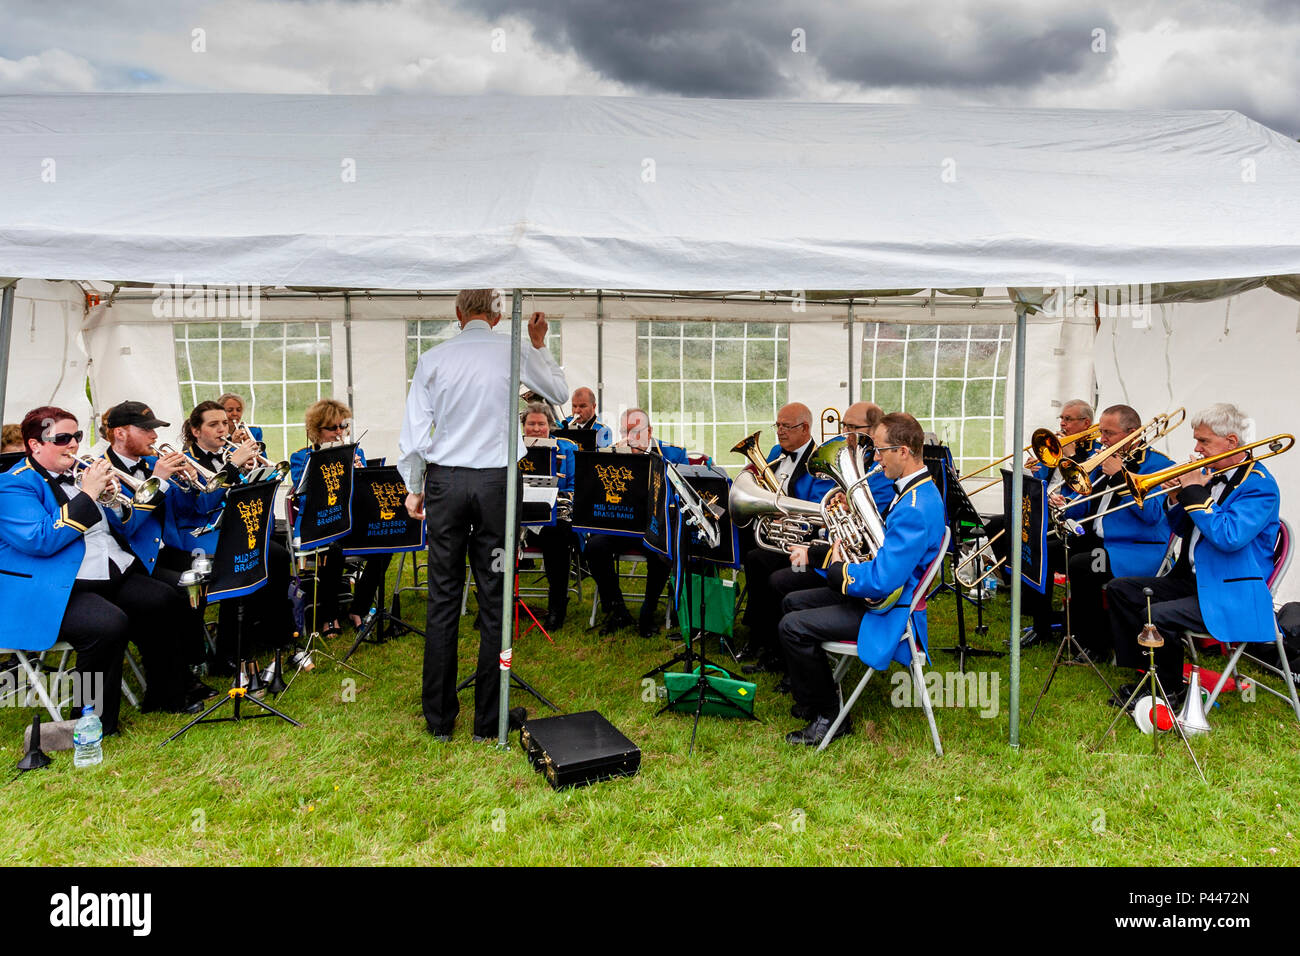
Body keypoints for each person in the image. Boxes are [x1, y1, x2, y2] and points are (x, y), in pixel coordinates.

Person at [399, 290, 568, 742]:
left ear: (457, 315)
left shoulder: (434, 358)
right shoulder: (513, 351)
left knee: (443, 598)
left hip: (446, 485)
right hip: (496, 485)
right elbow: (559, 394)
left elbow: (414, 431)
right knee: (495, 597)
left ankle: (438, 721)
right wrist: (537, 345)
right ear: (497, 316)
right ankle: (487, 721)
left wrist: (415, 487)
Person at [0, 406, 199, 733]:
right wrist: (89, 495)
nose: (73, 445)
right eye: (62, 438)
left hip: (109, 569)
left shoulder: (79, 476)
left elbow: (127, 526)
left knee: (163, 598)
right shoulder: (13, 485)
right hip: (57, 584)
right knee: (106, 625)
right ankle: (92, 718)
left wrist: (113, 500)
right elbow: (41, 540)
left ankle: (166, 694)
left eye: (76, 437)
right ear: (35, 445)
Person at [777, 412, 946, 746]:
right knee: (791, 601)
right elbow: (882, 548)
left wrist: (839, 570)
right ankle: (816, 698)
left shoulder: (914, 505)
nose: (876, 457)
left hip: (891, 609)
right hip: (884, 597)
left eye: (881, 450)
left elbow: (882, 580)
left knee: (792, 626)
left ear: (904, 451)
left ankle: (830, 717)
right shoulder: (914, 492)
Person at [1105, 403, 1280, 711]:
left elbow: (1228, 537)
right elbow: (1186, 529)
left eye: (1204, 442)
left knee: (1157, 615)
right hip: (1194, 580)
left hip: (1231, 591)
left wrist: (1197, 494)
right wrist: (1176, 497)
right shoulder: (1213, 474)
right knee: (1121, 590)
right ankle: (1148, 677)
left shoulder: (1259, 487)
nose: (1196, 449)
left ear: (1231, 442)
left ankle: (1170, 692)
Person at [102, 400, 219, 699]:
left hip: (164, 549)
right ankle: (177, 675)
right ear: (120, 433)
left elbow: (187, 507)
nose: (154, 437)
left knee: (210, 574)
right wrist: (160, 480)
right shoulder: (103, 471)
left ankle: (195, 661)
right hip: (133, 558)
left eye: (155, 430)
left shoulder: (152, 464)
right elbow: (125, 527)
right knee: (180, 590)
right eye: (146, 430)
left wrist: (191, 481)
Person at [1050, 404, 1172, 662]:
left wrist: (1120, 476)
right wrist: (1066, 504)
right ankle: (1048, 626)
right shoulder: (1104, 457)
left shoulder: (1159, 465)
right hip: (1101, 539)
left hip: (1136, 548)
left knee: (1082, 565)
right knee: (1047, 549)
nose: (1102, 439)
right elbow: (1086, 500)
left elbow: (1151, 515)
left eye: (1109, 433)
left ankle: (1097, 645)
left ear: (1133, 433)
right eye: (1101, 432)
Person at [738, 402, 836, 675]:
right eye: (777, 425)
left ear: (805, 428)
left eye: (786, 426)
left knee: (770, 569)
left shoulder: (819, 461)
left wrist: (788, 517)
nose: (779, 432)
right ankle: (758, 634)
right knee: (750, 554)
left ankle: (778, 648)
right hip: (774, 534)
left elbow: (820, 512)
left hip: (803, 543)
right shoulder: (773, 453)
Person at [583, 408, 689, 638]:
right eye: (625, 431)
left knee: (660, 551)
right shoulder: (616, 453)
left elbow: (684, 497)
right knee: (594, 547)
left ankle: (648, 611)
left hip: (657, 526)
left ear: (649, 431)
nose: (629, 437)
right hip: (624, 525)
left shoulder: (674, 454)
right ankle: (617, 609)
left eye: (635, 431)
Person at [289, 399, 391, 633]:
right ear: (316, 431)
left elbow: (365, 497)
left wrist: (360, 473)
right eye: (332, 428)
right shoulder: (302, 457)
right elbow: (305, 497)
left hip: (350, 522)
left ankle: (359, 608)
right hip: (321, 524)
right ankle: (328, 615)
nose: (339, 432)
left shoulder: (357, 452)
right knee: (333, 550)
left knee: (386, 544)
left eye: (343, 426)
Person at [521, 403, 578, 629]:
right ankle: (495, 605)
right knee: (484, 537)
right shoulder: (510, 447)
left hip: (553, 517)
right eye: (531, 424)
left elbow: (574, 485)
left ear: (550, 426)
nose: (536, 429)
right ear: (523, 426)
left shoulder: (566, 448)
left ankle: (556, 607)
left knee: (557, 537)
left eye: (541, 424)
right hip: (518, 517)